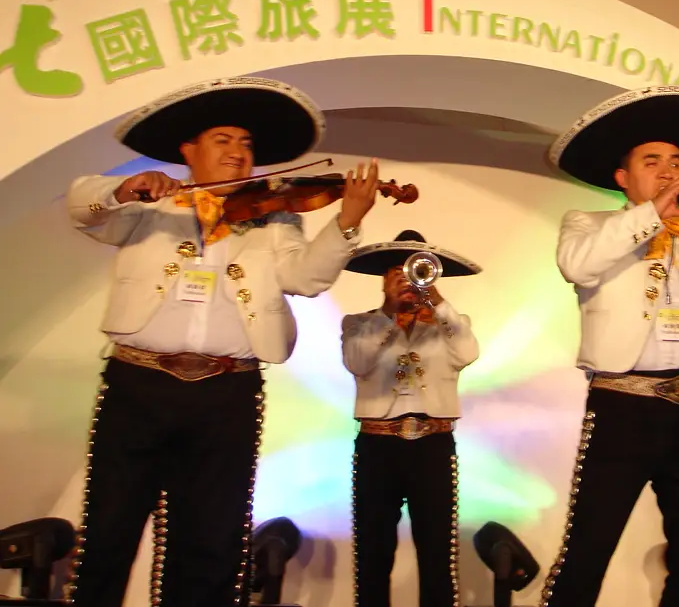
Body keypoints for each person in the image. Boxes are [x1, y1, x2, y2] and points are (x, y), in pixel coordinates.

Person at [63, 76, 380, 607]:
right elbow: (81, 208)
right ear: (189, 149)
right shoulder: (148, 204)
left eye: (247, 144)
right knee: (109, 529)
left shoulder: (274, 218)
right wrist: (120, 189)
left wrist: (346, 222)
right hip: (139, 384)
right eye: (223, 140)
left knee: (212, 540)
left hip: (226, 393)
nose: (238, 154)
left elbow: (305, 279)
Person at [539, 86, 679, 607]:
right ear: (623, 178)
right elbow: (578, 265)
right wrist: (651, 215)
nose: (667, 171)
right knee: (590, 544)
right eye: (651, 161)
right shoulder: (589, 225)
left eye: (676, 162)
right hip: (624, 406)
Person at [340, 230, 482, 607]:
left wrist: (434, 299)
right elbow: (358, 361)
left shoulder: (451, 324)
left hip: (433, 446)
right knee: (373, 553)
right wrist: (390, 312)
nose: (408, 279)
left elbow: (468, 352)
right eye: (398, 273)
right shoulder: (360, 323)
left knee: (437, 554)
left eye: (417, 271)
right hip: (378, 446)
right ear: (384, 280)